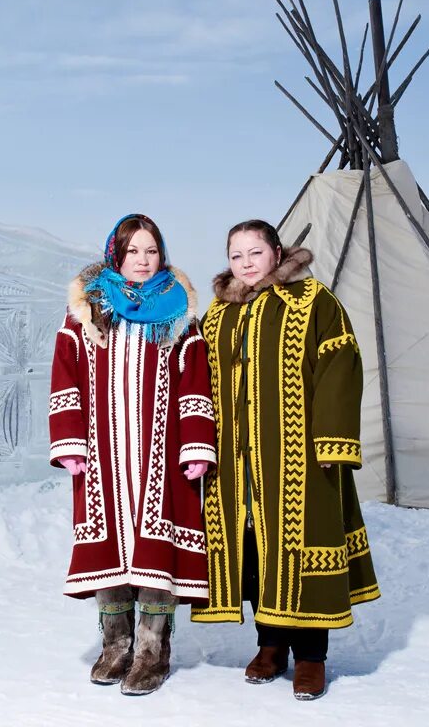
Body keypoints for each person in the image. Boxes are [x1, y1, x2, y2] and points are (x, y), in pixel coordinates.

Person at [192, 219, 380, 701]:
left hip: (298, 455)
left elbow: (341, 362)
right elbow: (197, 378)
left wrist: (332, 442)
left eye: (255, 252)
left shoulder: (313, 301)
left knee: (301, 548)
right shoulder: (218, 315)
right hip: (235, 464)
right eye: (236, 255)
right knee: (254, 552)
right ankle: (270, 645)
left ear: (277, 251)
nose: (246, 263)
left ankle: (312, 658)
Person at [49, 214, 216, 696]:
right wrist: (70, 442)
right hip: (102, 458)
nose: (143, 261)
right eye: (133, 251)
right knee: (109, 552)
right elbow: (67, 375)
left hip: (159, 458)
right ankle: (114, 645)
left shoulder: (178, 312)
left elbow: (193, 382)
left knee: (154, 553)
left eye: (151, 251)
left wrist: (197, 446)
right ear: (115, 256)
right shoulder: (88, 310)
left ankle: (151, 651)